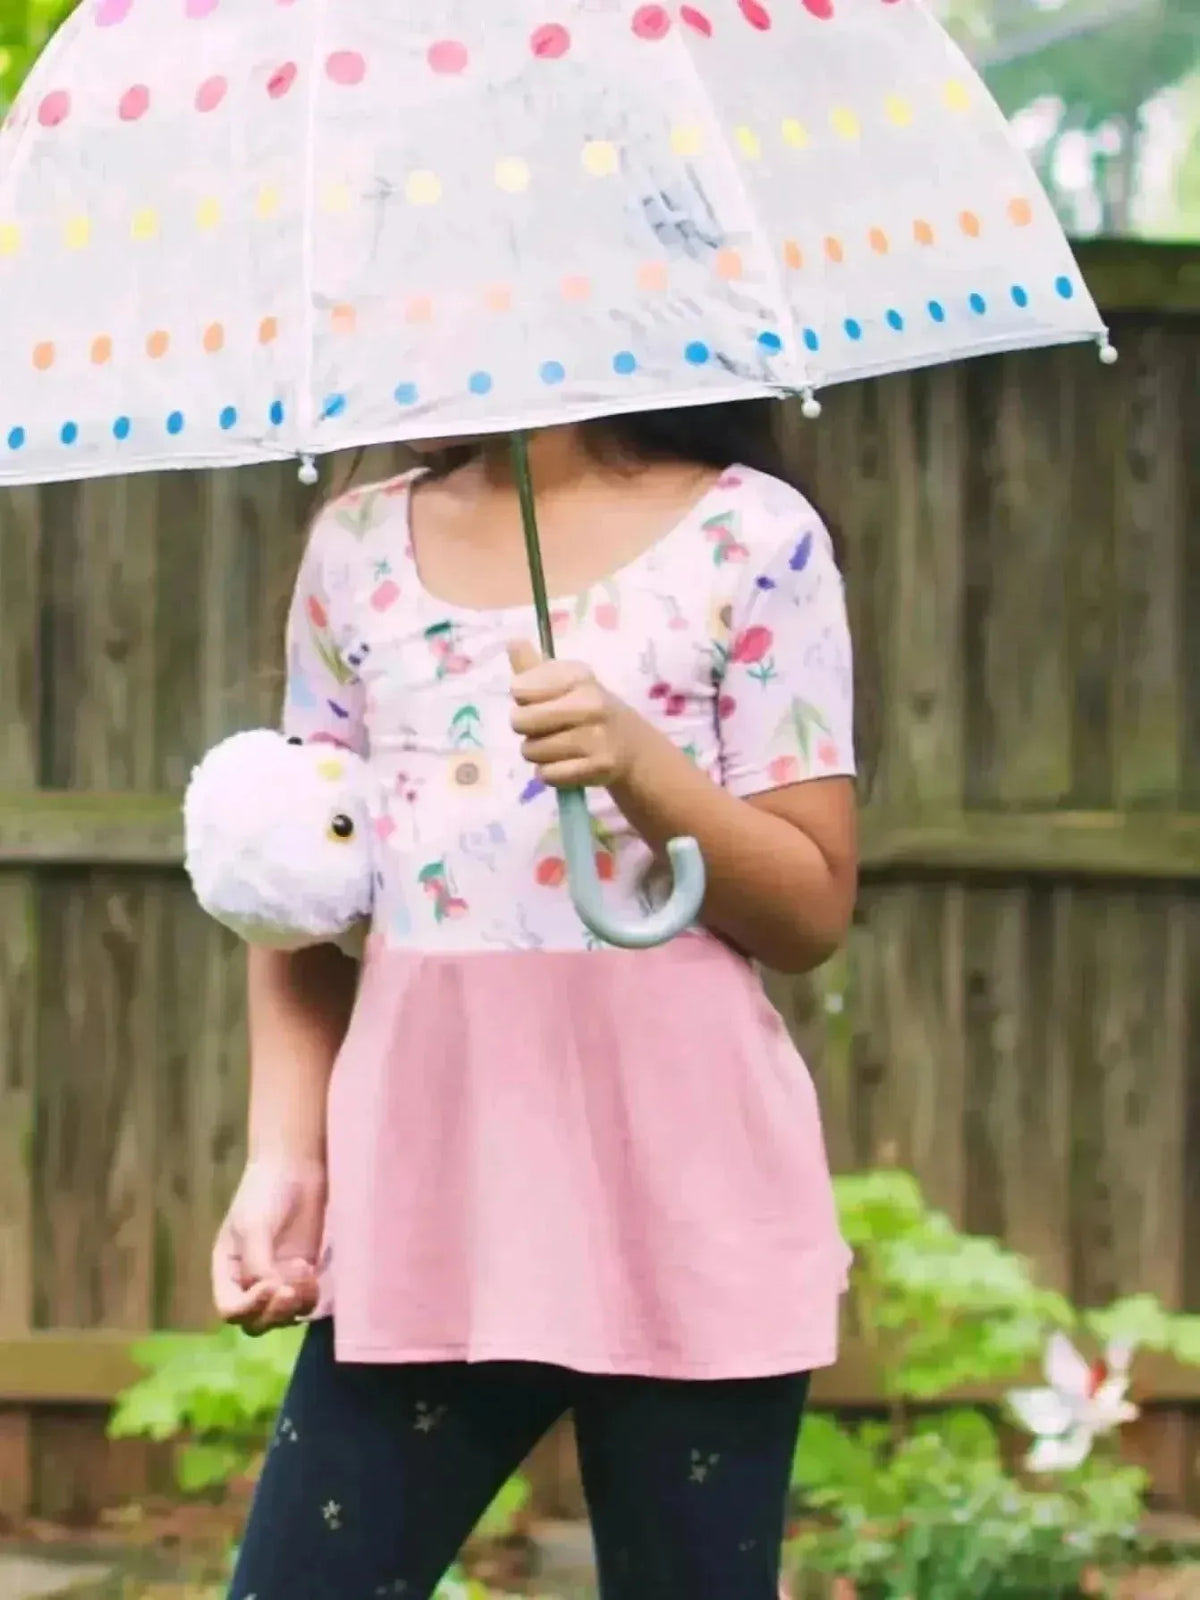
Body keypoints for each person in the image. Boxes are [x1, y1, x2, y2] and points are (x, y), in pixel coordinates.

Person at [213, 399, 858, 1600]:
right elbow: (300, 883)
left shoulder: (756, 535)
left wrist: (643, 767)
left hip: (692, 1209)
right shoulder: (355, 548)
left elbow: (811, 908)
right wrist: (282, 1154)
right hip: (427, 1212)